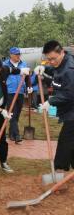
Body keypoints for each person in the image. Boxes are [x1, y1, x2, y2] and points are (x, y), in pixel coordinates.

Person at [34, 40, 74, 172]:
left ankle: (60, 169)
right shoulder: (62, 61)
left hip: (72, 109)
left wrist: (49, 102)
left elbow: (69, 94)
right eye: (48, 59)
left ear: (61, 52)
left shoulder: (70, 70)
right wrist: (44, 67)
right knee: (71, 141)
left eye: (53, 59)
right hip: (69, 109)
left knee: (66, 140)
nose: (51, 61)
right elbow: (55, 69)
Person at [3, 47, 32, 144]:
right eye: (16, 54)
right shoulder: (5, 65)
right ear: (10, 55)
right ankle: (16, 135)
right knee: (12, 113)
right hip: (9, 92)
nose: (18, 56)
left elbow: (28, 76)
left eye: (19, 54)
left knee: (17, 114)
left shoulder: (23, 64)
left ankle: (11, 134)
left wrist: (29, 86)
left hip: (20, 92)